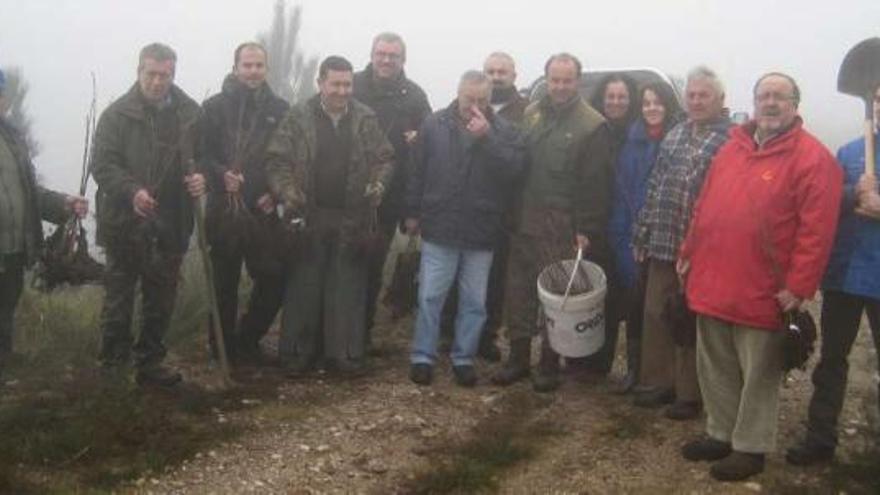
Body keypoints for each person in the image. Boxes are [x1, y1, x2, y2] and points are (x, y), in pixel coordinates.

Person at [678, 73, 842, 481]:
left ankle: (749, 447)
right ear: (752, 102)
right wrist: (688, 252)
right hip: (713, 279)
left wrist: (800, 285)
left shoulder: (813, 158)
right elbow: (705, 205)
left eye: (779, 97)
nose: (770, 103)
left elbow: (817, 230)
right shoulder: (732, 149)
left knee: (758, 374)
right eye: (764, 95)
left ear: (794, 104)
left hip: (763, 289)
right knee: (715, 364)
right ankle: (720, 432)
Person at [266, 56, 394, 377]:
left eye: (347, 84)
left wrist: (378, 183)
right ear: (320, 83)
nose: (341, 91)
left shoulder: (365, 118)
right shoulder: (298, 116)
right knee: (304, 287)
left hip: (352, 218)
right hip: (308, 216)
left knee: (347, 288)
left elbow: (386, 157)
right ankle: (297, 355)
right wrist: (288, 192)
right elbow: (276, 160)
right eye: (335, 84)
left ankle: (345, 357)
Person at [494, 53, 613, 392]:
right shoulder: (530, 115)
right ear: (546, 79)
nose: (559, 86)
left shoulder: (592, 125)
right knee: (517, 291)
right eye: (554, 79)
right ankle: (517, 359)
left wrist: (586, 229)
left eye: (567, 80)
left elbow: (596, 184)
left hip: (562, 225)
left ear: (578, 81)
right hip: (523, 219)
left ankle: (549, 362)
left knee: (555, 296)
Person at [92, 43, 206, 386]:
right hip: (125, 222)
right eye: (151, 74)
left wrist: (203, 177)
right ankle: (113, 368)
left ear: (173, 74)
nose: (158, 82)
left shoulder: (191, 115)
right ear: (138, 72)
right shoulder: (116, 116)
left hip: (173, 220)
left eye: (165, 75)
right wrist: (132, 191)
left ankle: (150, 365)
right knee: (118, 301)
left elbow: (205, 158)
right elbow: (102, 165)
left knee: (161, 300)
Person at [405, 70, 525, 387]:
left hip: (482, 229)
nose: (475, 105)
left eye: (482, 100)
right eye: (469, 99)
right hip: (440, 223)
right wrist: (412, 212)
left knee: (474, 302)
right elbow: (417, 170)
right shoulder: (433, 124)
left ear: (489, 100)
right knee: (430, 296)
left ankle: (463, 358)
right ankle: (422, 356)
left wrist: (487, 137)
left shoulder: (504, 131)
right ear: (457, 94)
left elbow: (514, 170)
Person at [786, 82, 880, 466]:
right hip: (844, 275)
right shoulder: (852, 152)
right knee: (832, 360)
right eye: (877, 99)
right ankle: (820, 437)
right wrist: (853, 194)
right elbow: (827, 200)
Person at [631, 66, 732, 419]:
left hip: (703, 252)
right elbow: (655, 186)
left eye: (704, 95)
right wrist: (642, 232)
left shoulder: (732, 140)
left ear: (721, 99)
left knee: (690, 321)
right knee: (657, 312)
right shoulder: (675, 134)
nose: (696, 100)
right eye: (691, 95)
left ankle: (690, 394)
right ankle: (659, 383)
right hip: (662, 242)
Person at [200, 42, 289, 364]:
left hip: (262, 210)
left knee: (275, 276)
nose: (253, 71)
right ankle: (220, 351)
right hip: (224, 209)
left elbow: (288, 158)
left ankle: (247, 340)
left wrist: (275, 192)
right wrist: (221, 175)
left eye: (259, 66)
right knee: (224, 283)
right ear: (235, 67)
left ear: (266, 69)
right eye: (247, 65)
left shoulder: (280, 110)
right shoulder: (213, 108)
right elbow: (201, 155)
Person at [440, 52, 530, 363]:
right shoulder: (466, 106)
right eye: (490, 71)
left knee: (493, 281)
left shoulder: (526, 111)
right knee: (454, 276)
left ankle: (486, 336)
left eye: (502, 71)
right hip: (463, 208)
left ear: (514, 75)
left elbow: (519, 161)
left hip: (503, 209)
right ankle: (449, 334)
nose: (496, 76)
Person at [0, 68, 88, 377]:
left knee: (4, 312)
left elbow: (29, 191)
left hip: (11, 249)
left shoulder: (12, 139)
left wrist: (63, 204)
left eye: (1, 94)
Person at [352, 32, 432, 343]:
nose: (386, 60)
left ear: (403, 60)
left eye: (393, 56)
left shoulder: (414, 96)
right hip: (343, 196)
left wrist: (418, 141)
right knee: (340, 267)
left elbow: (428, 147)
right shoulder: (352, 85)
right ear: (371, 54)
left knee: (371, 267)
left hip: (388, 198)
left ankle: (360, 335)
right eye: (381, 53)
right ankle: (331, 333)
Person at [607, 81, 681, 393]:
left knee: (664, 309)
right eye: (647, 102)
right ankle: (635, 370)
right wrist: (622, 234)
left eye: (658, 102)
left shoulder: (678, 139)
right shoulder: (632, 140)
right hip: (630, 233)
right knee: (635, 304)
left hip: (666, 237)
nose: (652, 108)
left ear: (668, 106)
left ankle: (667, 376)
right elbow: (622, 190)